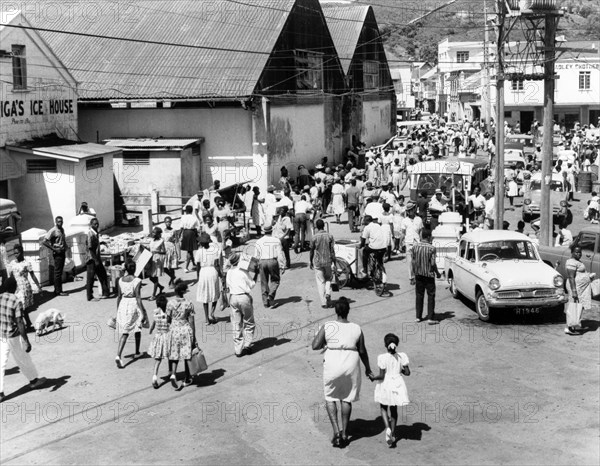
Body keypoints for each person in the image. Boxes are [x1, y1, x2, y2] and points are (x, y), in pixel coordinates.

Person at [311, 297, 374, 448]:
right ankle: (345, 433)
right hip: (350, 362)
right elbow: (362, 351)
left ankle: (336, 432)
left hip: (333, 361)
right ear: (348, 311)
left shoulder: (328, 325)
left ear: (335, 311)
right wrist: (368, 368)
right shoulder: (356, 328)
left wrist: (327, 341)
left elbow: (315, 345)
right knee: (346, 398)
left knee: (330, 396)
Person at [0, 276, 45, 403]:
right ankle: (34, 381)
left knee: (1, 363)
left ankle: (0, 393)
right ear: (14, 288)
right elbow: (20, 321)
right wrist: (26, 340)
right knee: (23, 358)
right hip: (13, 336)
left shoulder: (0, 297)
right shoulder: (16, 300)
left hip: (1, 335)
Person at [369, 333, 410, 448]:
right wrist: (400, 370)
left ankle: (387, 427)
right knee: (394, 409)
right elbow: (407, 372)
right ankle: (393, 432)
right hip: (397, 383)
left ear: (385, 344)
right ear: (396, 345)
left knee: (383, 407)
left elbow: (381, 376)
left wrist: (373, 378)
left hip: (385, 384)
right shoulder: (402, 356)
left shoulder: (382, 357)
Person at [115, 260, 148, 368]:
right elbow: (138, 297)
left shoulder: (120, 280)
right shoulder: (137, 280)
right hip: (133, 304)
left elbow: (119, 296)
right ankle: (131, 352)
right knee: (136, 328)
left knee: (127, 330)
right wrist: (143, 310)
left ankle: (123, 354)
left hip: (123, 304)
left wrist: (118, 310)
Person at [226, 253, 258, 357]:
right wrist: (256, 273)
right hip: (244, 297)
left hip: (233, 297)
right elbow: (252, 284)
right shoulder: (243, 272)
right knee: (249, 322)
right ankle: (247, 345)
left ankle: (238, 350)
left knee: (236, 323)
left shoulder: (229, 272)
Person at [167, 280, 196, 389]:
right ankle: (187, 378)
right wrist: (194, 337)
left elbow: (168, 319)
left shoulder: (170, 303)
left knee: (174, 354)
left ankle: (173, 373)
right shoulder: (188, 303)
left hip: (174, 329)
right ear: (184, 291)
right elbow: (192, 321)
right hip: (185, 329)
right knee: (186, 354)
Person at [412, 229, 441, 324]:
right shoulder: (431, 248)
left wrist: (413, 274)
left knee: (419, 295)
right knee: (431, 296)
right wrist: (437, 273)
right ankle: (430, 318)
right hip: (429, 275)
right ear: (428, 237)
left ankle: (418, 317)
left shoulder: (415, 247)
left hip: (418, 274)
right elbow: (433, 263)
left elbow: (413, 261)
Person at [564, 246, 596, 335]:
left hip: (580, 287)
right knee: (572, 305)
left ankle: (574, 325)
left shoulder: (577, 261)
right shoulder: (571, 262)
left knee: (578, 306)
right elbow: (571, 277)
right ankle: (568, 327)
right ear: (572, 252)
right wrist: (574, 291)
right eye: (576, 252)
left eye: (580, 252)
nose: (579, 254)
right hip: (575, 287)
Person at [8, 245, 41, 329]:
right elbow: (11, 276)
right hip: (15, 287)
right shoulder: (12, 263)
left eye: (17, 253)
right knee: (18, 306)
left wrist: (38, 285)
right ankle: (27, 323)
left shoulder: (26, 263)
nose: (16, 255)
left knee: (22, 307)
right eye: (14, 253)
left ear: (21, 253)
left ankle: (23, 324)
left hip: (24, 287)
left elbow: (32, 275)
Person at [255, 225, 286, 308]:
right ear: (272, 231)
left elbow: (256, 255)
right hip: (273, 261)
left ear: (263, 231)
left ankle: (265, 302)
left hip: (262, 261)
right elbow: (280, 254)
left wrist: (256, 266)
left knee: (264, 282)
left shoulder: (258, 241)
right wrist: (282, 265)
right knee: (275, 280)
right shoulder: (276, 240)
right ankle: (271, 295)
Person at [195, 233, 222, 325]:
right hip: (213, 271)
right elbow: (217, 264)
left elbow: (197, 266)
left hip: (203, 272)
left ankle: (206, 318)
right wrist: (221, 275)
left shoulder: (199, 252)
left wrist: (198, 276)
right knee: (214, 292)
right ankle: (212, 312)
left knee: (204, 296)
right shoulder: (215, 250)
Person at [310, 219, 336, 309]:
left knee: (321, 281)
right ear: (324, 226)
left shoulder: (314, 237)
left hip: (318, 261)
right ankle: (328, 293)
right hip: (328, 261)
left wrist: (310, 261)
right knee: (329, 278)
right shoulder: (330, 236)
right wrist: (334, 262)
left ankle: (323, 303)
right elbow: (332, 251)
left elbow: (311, 251)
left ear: (316, 227)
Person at [148, 294, 171, 389]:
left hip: (158, 336)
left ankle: (154, 376)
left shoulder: (156, 313)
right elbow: (170, 323)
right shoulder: (167, 314)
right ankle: (171, 372)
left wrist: (151, 329)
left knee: (158, 359)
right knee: (170, 355)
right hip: (167, 336)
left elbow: (153, 323)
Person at [42, 216, 69, 297]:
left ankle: (58, 289)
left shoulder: (62, 229)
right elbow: (44, 241)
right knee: (57, 272)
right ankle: (58, 291)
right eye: (59, 222)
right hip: (57, 253)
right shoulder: (53, 230)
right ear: (56, 222)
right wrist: (54, 249)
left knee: (60, 272)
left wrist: (66, 248)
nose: (60, 223)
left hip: (62, 252)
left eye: (61, 221)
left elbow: (63, 240)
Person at [85, 217, 110, 301]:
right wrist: (96, 260)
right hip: (91, 259)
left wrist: (102, 243)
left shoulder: (95, 233)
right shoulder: (90, 234)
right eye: (95, 224)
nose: (97, 225)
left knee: (102, 274)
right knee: (90, 278)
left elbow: (95, 244)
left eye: (97, 223)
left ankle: (105, 293)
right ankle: (90, 296)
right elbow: (90, 248)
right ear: (91, 225)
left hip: (97, 258)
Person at [360, 216, 388, 291]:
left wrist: (361, 246)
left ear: (366, 221)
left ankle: (365, 270)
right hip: (383, 247)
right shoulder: (377, 225)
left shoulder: (367, 228)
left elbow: (363, 241)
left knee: (365, 252)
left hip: (374, 247)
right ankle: (380, 268)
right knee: (379, 259)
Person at [401, 202, 423, 286]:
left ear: (414, 209)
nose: (411, 211)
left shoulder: (419, 219)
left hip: (417, 242)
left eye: (412, 210)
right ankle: (412, 277)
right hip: (408, 242)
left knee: (417, 261)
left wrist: (421, 241)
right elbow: (403, 232)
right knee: (410, 262)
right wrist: (401, 243)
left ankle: (418, 276)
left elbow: (421, 231)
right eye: (409, 210)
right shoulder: (404, 220)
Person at [179, 205, 200, 272]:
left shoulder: (183, 217)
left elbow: (181, 228)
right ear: (192, 211)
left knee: (189, 250)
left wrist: (179, 236)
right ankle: (190, 265)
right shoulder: (194, 218)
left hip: (185, 233)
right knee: (190, 250)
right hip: (192, 233)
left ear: (186, 211)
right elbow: (197, 227)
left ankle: (189, 265)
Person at [148, 227, 166, 301]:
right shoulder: (152, 240)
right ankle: (160, 287)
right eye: (152, 232)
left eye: (154, 233)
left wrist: (157, 252)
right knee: (150, 277)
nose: (152, 234)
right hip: (151, 259)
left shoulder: (161, 241)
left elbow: (164, 252)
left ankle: (153, 295)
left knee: (155, 277)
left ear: (158, 234)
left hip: (157, 260)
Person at [162, 216, 180, 288]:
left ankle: (172, 282)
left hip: (172, 249)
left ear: (171, 222)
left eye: (169, 222)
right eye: (166, 222)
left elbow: (177, 242)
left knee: (172, 267)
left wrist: (179, 253)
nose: (168, 223)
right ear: (164, 222)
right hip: (165, 250)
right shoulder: (162, 231)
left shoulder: (174, 231)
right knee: (164, 267)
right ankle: (173, 276)